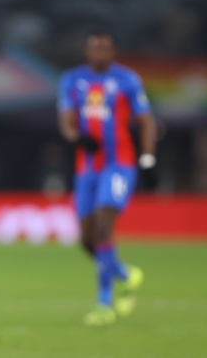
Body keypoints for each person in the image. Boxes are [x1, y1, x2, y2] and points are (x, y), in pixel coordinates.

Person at [57, 32, 156, 325]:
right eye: (94, 47)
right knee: (87, 240)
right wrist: (77, 138)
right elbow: (66, 121)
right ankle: (126, 275)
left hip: (119, 165)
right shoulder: (72, 80)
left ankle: (104, 304)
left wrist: (148, 157)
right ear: (87, 51)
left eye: (105, 47)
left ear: (113, 50)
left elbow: (146, 119)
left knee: (103, 228)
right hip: (86, 168)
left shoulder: (127, 80)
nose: (99, 52)